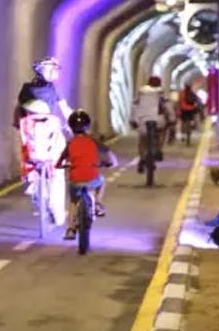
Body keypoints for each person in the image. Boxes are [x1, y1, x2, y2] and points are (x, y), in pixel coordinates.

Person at [57, 109, 118, 240]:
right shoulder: (94, 141)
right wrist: (108, 164)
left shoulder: (70, 143)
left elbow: (60, 161)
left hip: (75, 179)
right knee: (101, 181)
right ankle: (98, 204)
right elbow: (111, 159)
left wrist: (60, 165)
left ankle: (70, 229)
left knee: (73, 200)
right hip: (92, 178)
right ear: (88, 126)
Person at [18, 98, 68, 226]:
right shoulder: (53, 122)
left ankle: (49, 210)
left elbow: (25, 144)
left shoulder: (25, 123)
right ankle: (55, 213)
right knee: (56, 184)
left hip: (39, 160)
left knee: (44, 186)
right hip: (51, 159)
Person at [14, 56, 73, 136]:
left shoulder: (27, 87)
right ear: (48, 70)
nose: (57, 72)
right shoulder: (54, 89)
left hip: (30, 129)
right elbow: (65, 109)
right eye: (55, 69)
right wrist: (73, 123)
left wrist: (17, 123)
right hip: (46, 128)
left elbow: (18, 108)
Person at [131, 75, 170, 173]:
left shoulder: (141, 92)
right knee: (162, 132)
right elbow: (167, 106)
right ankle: (159, 149)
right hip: (158, 120)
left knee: (142, 139)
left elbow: (135, 106)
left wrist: (133, 119)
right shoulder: (160, 92)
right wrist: (172, 118)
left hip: (142, 120)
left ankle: (142, 157)